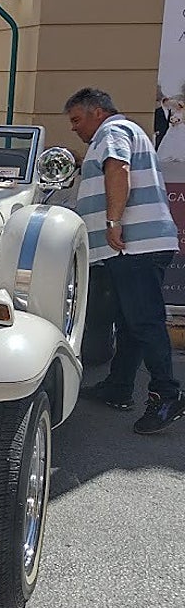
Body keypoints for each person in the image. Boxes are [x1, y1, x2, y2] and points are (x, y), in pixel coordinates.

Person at [67, 86, 185, 433]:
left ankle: (167, 394)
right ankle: (119, 387)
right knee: (130, 320)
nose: (74, 127)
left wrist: (113, 222)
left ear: (97, 112)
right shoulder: (124, 131)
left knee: (144, 320)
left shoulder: (112, 131)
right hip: (140, 244)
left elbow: (118, 169)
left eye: (76, 119)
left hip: (133, 245)